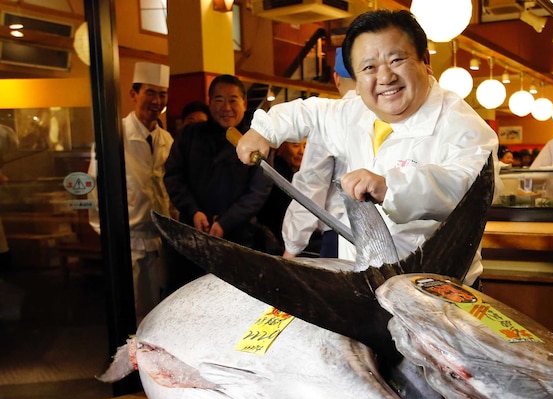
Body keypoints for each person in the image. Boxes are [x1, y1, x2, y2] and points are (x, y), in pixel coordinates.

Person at [236, 10, 500, 287]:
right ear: (356, 78)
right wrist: (264, 130)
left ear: (425, 61)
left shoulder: (463, 124)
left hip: (437, 289)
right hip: (362, 281)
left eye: (396, 60)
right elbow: (310, 112)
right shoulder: (355, 111)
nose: (385, 77)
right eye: (369, 68)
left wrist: (390, 187)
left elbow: (472, 189)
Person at [164, 74, 272, 288]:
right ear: (209, 102)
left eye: (233, 100)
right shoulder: (189, 135)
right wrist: (194, 211)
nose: (226, 107)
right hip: (193, 235)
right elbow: (174, 176)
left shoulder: (255, 139)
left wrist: (225, 222)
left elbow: (259, 190)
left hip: (239, 238)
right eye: (219, 100)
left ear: (244, 102)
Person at [88, 62, 174, 322]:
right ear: (133, 94)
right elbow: (94, 188)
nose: (157, 101)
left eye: (162, 94)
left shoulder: (166, 140)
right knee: (130, 311)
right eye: (150, 92)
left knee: (158, 310)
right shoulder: (115, 135)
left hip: (159, 241)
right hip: (128, 241)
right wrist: (110, 236)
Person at [281, 46, 354, 259]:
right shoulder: (392, 113)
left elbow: (312, 186)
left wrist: (291, 247)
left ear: (336, 79)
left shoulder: (331, 118)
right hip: (394, 239)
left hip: (341, 235)